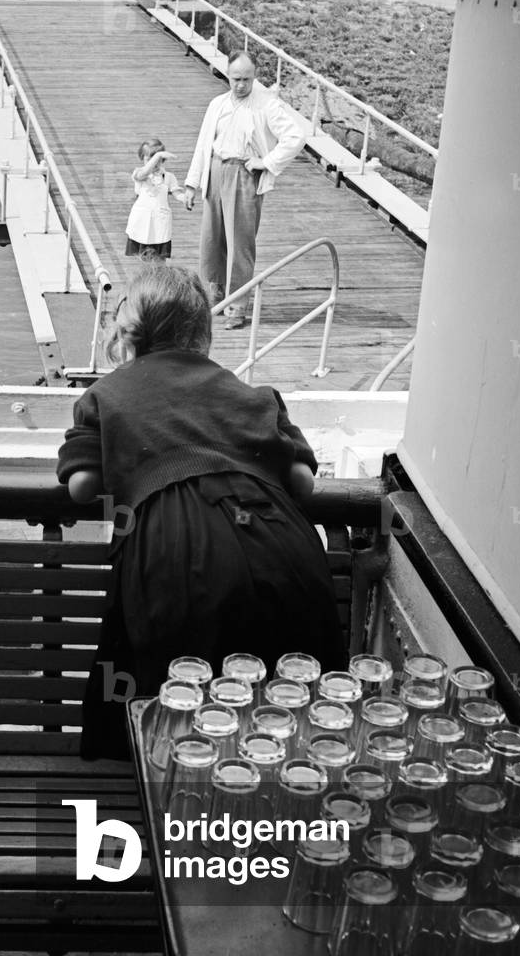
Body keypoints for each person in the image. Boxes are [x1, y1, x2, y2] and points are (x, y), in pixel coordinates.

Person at [56, 265, 345, 761]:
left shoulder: (108, 395)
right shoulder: (253, 394)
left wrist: (135, 461)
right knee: (287, 712)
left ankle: (181, 820)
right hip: (280, 535)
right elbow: (302, 482)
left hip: (175, 542)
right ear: (203, 334)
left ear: (130, 334)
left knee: (180, 715)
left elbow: (82, 487)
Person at [184, 51, 305, 329]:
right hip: (216, 170)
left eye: (247, 79)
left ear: (254, 78)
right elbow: (203, 144)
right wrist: (192, 183)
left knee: (239, 243)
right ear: (227, 75)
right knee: (211, 241)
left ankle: (237, 307)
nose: (240, 85)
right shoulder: (217, 104)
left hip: (243, 175)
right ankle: (213, 299)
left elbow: (296, 137)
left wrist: (267, 162)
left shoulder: (266, 105)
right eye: (236, 79)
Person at [125, 138, 186, 261]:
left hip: (160, 221)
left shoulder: (168, 177)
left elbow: (177, 193)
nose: (155, 163)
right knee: (143, 257)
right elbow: (143, 174)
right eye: (150, 159)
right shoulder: (139, 173)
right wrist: (157, 155)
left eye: (159, 160)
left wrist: (185, 198)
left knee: (159, 257)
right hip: (142, 221)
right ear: (143, 158)